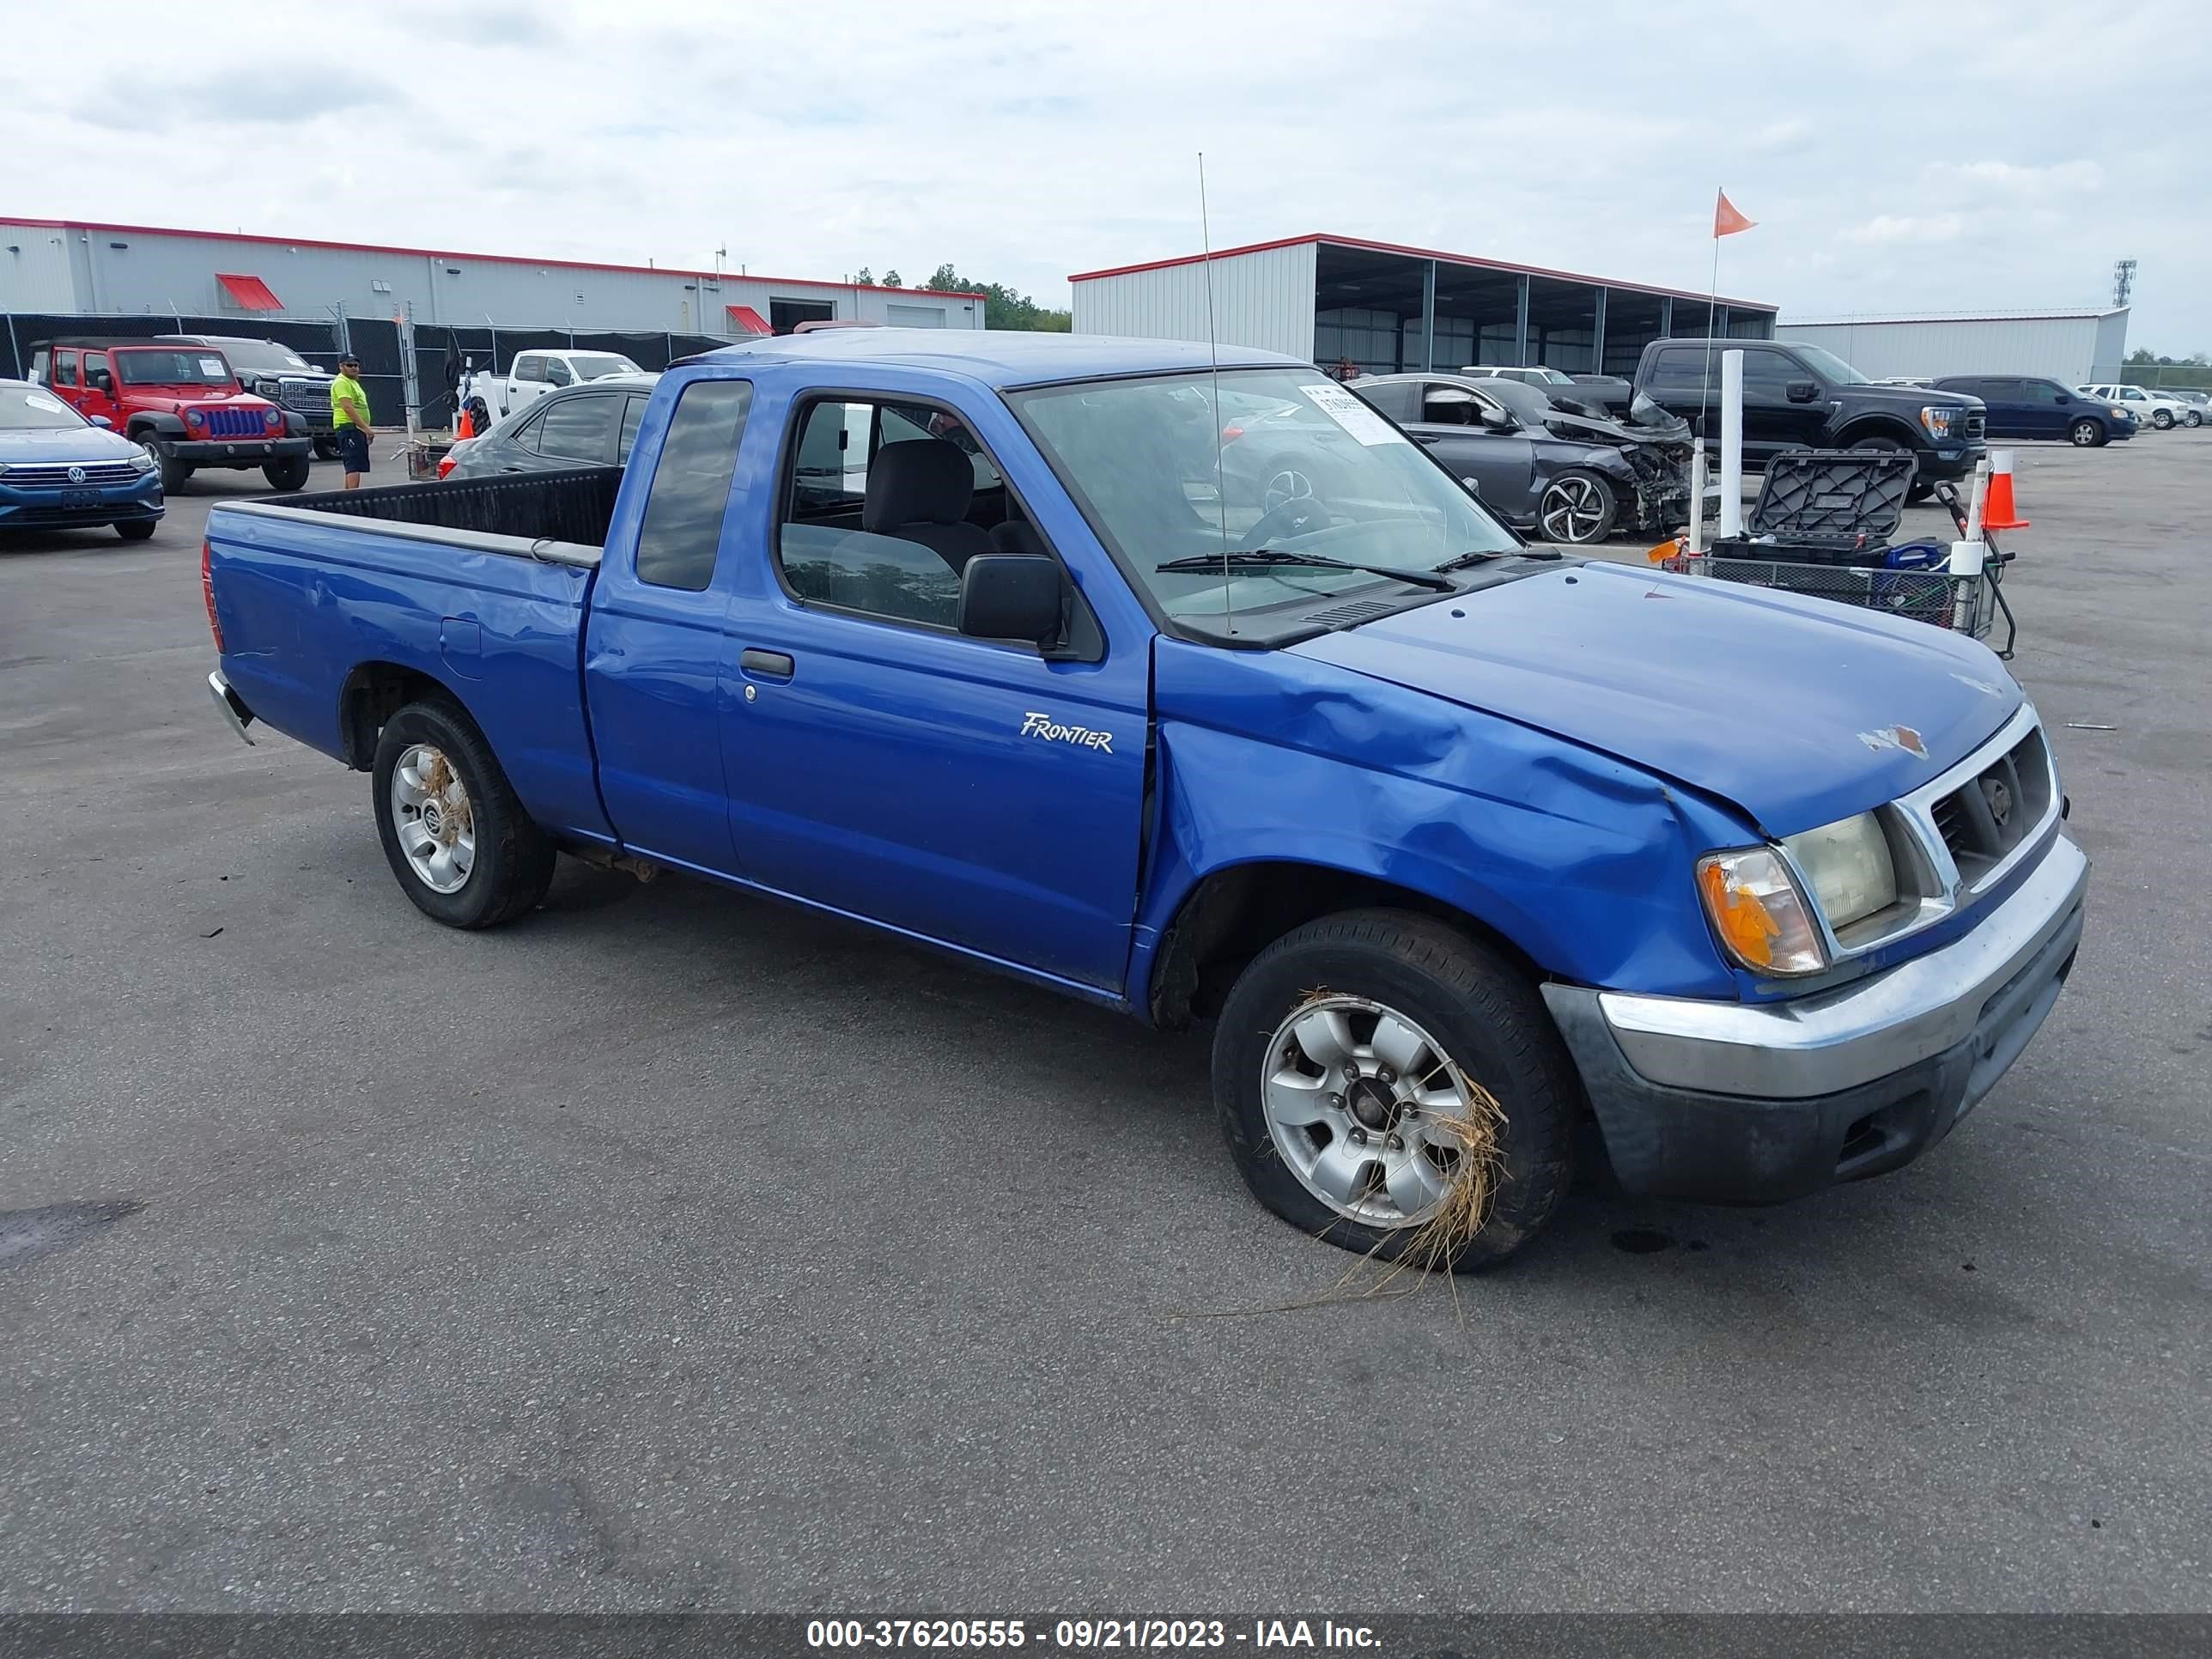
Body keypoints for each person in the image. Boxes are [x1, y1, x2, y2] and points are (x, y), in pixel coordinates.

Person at [330, 356, 373, 489]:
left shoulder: (352, 382)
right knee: (353, 464)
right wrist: (366, 428)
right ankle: (353, 497)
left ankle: (347, 496)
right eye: (350, 365)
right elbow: (347, 407)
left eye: (356, 365)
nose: (354, 368)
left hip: (355, 428)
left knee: (354, 465)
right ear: (341, 366)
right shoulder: (342, 382)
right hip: (348, 427)